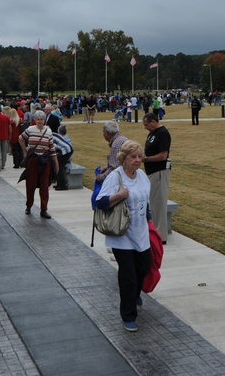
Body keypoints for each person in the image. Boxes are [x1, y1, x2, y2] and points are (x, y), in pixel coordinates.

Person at [95, 139, 152, 332]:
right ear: (124, 159)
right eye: (133, 157)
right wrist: (119, 195)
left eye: (139, 156)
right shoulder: (115, 177)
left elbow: (147, 202)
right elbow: (100, 202)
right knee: (128, 276)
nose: (137, 160)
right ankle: (128, 315)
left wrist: (150, 223)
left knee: (144, 267)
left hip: (141, 231)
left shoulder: (143, 176)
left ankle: (134, 294)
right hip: (122, 233)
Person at [19, 110, 58, 218]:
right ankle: (29, 206)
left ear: (44, 120)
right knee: (30, 184)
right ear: (35, 120)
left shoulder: (48, 131)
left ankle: (44, 209)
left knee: (44, 186)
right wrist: (25, 152)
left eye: (41, 119)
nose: (40, 121)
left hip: (45, 161)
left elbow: (52, 148)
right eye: (38, 119)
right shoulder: (30, 129)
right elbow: (20, 138)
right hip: (33, 160)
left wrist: (56, 162)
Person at [141, 113, 172, 241]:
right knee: (153, 203)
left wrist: (146, 159)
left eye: (146, 124)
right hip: (151, 173)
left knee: (159, 203)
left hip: (159, 172)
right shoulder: (152, 133)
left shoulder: (163, 133)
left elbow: (163, 155)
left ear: (153, 121)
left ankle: (160, 236)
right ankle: (154, 231)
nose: (145, 127)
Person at [52, 124, 74, 190]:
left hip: (66, 152)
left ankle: (63, 185)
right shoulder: (53, 135)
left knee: (59, 167)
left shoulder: (50, 136)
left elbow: (54, 147)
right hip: (65, 151)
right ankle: (59, 183)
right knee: (56, 165)